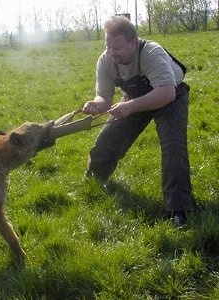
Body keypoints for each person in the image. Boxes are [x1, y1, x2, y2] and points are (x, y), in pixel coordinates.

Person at [82, 15, 193, 226]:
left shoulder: (151, 52)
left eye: (117, 47)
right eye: (108, 46)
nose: (111, 51)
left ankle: (179, 210)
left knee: (173, 147)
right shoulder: (106, 60)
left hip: (170, 96)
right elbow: (104, 98)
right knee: (107, 141)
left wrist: (130, 106)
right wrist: (96, 104)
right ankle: (92, 186)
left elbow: (167, 92)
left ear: (133, 43)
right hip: (133, 99)